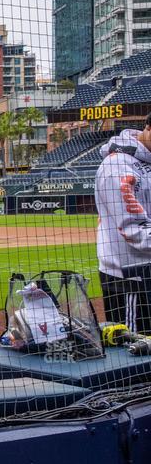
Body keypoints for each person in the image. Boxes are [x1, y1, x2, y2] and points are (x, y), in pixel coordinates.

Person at [95, 118, 151, 332]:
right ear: (148, 126)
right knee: (136, 352)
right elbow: (133, 231)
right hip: (130, 278)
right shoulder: (117, 166)